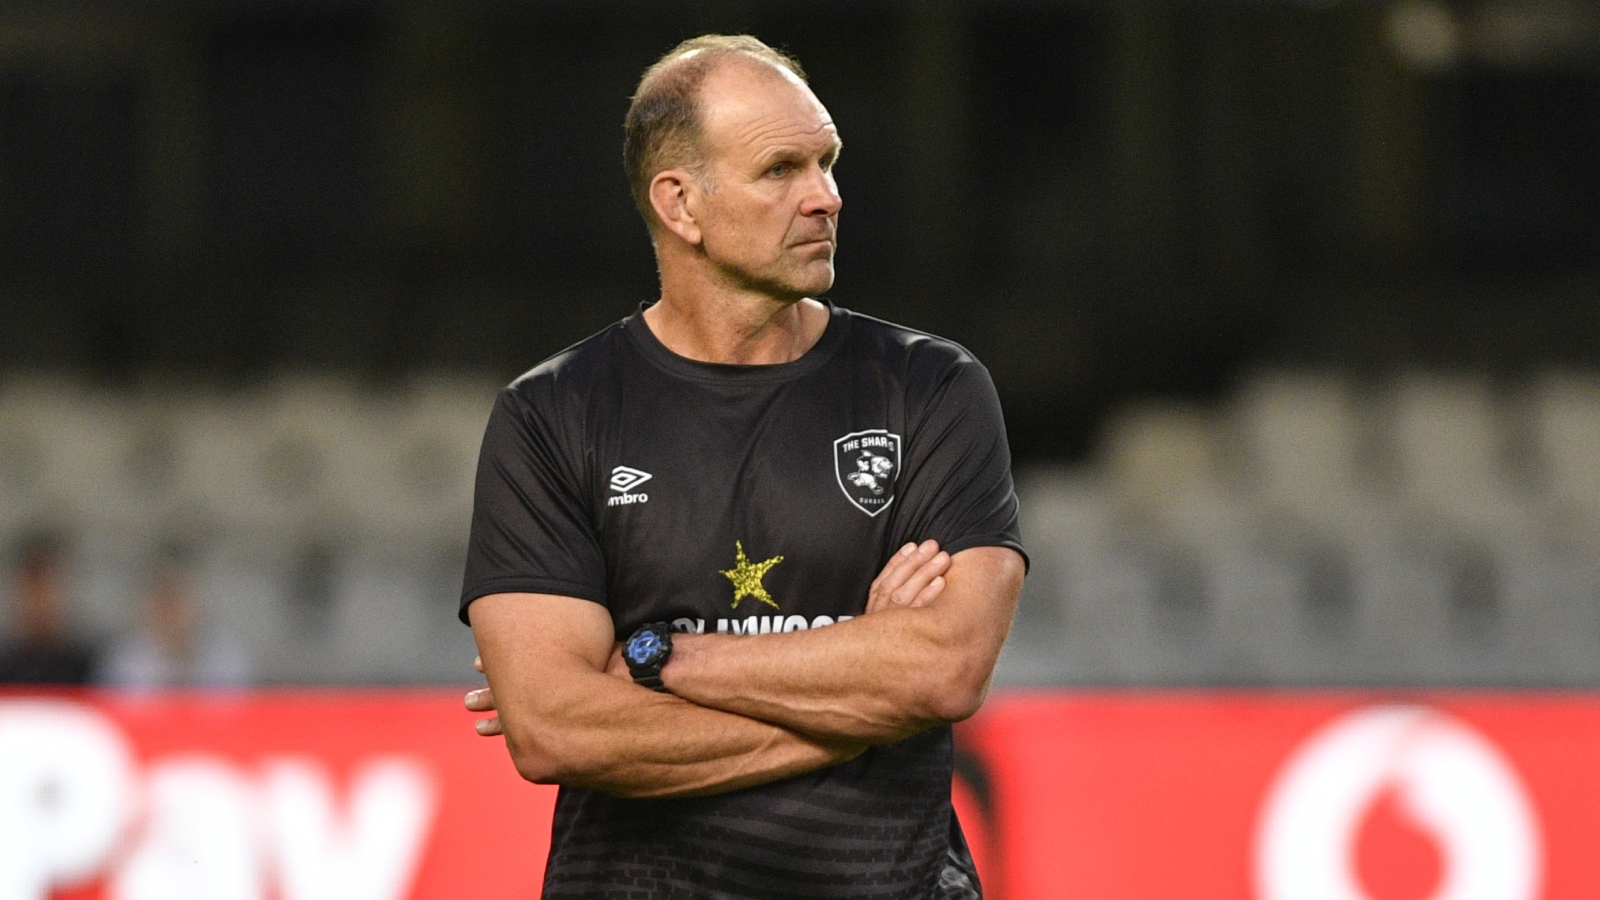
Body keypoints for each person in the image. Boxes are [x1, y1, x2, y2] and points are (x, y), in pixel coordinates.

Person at [459, 34, 1026, 899]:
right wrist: (864, 703)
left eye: (828, 162)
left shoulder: (932, 389)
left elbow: (943, 670)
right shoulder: (552, 416)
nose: (827, 197)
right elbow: (553, 731)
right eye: (781, 170)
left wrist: (655, 658)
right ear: (681, 205)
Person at [97, 541, 253, 689]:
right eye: (163, 602)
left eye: (179, 601)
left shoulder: (226, 657)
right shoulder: (125, 660)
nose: (171, 612)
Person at [0, 529, 99, 685]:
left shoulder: (96, 669)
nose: (41, 599)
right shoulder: (5, 666)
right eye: (33, 586)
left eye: (49, 585)